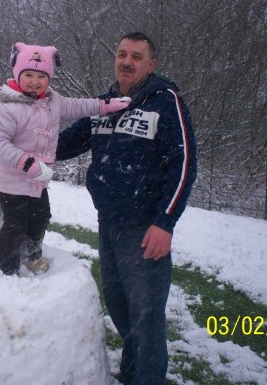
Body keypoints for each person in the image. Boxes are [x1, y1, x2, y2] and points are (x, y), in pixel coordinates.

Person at [56, 32, 197, 384]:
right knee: (120, 307)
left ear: (151, 65)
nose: (126, 61)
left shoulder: (164, 102)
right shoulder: (105, 104)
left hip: (144, 226)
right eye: (121, 54)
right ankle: (131, 375)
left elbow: (184, 163)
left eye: (136, 56)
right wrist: (22, 141)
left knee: (146, 318)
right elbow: (65, 143)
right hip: (109, 223)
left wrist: (165, 222)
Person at [0, 42, 130, 276]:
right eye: (28, 74)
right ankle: (4, 270)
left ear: (49, 77)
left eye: (41, 76)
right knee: (16, 223)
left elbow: (80, 106)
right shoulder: (7, 105)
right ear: (17, 74)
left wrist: (107, 106)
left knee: (41, 216)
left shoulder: (53, 101)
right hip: (11, 179)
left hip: (37, 179)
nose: (35, 81)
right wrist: (27, 163)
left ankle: (30, 255)